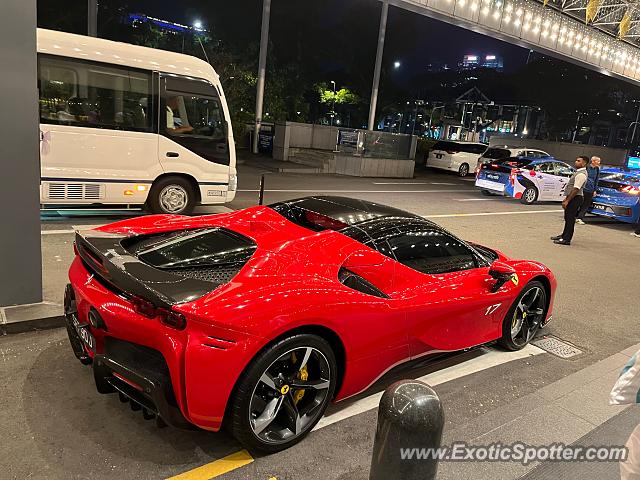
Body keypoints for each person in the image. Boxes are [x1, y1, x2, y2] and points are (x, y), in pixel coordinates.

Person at [550, 155, 589, 245]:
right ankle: (564, 235)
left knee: (570, 218)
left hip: (576, 198)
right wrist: (566, 198)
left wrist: (567, 200)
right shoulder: (578, 172)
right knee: (567, 218)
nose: (576, 162)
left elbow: (576, 189)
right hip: (573, 197)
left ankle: (567, 239)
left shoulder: (581, 174)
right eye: (576, 160)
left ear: (584, 163)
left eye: (578, 161)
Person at [576, 155, 601, 224]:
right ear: (593, 161)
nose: (599, 163)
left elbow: (596, 180)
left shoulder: (597, 169)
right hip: (583, 188)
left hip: (590, 190)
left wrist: (594, 190)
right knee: (578, 203)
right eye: (598, 161)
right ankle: (573, 216)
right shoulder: (586, 167)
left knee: (586, 205)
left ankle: (579, 218)